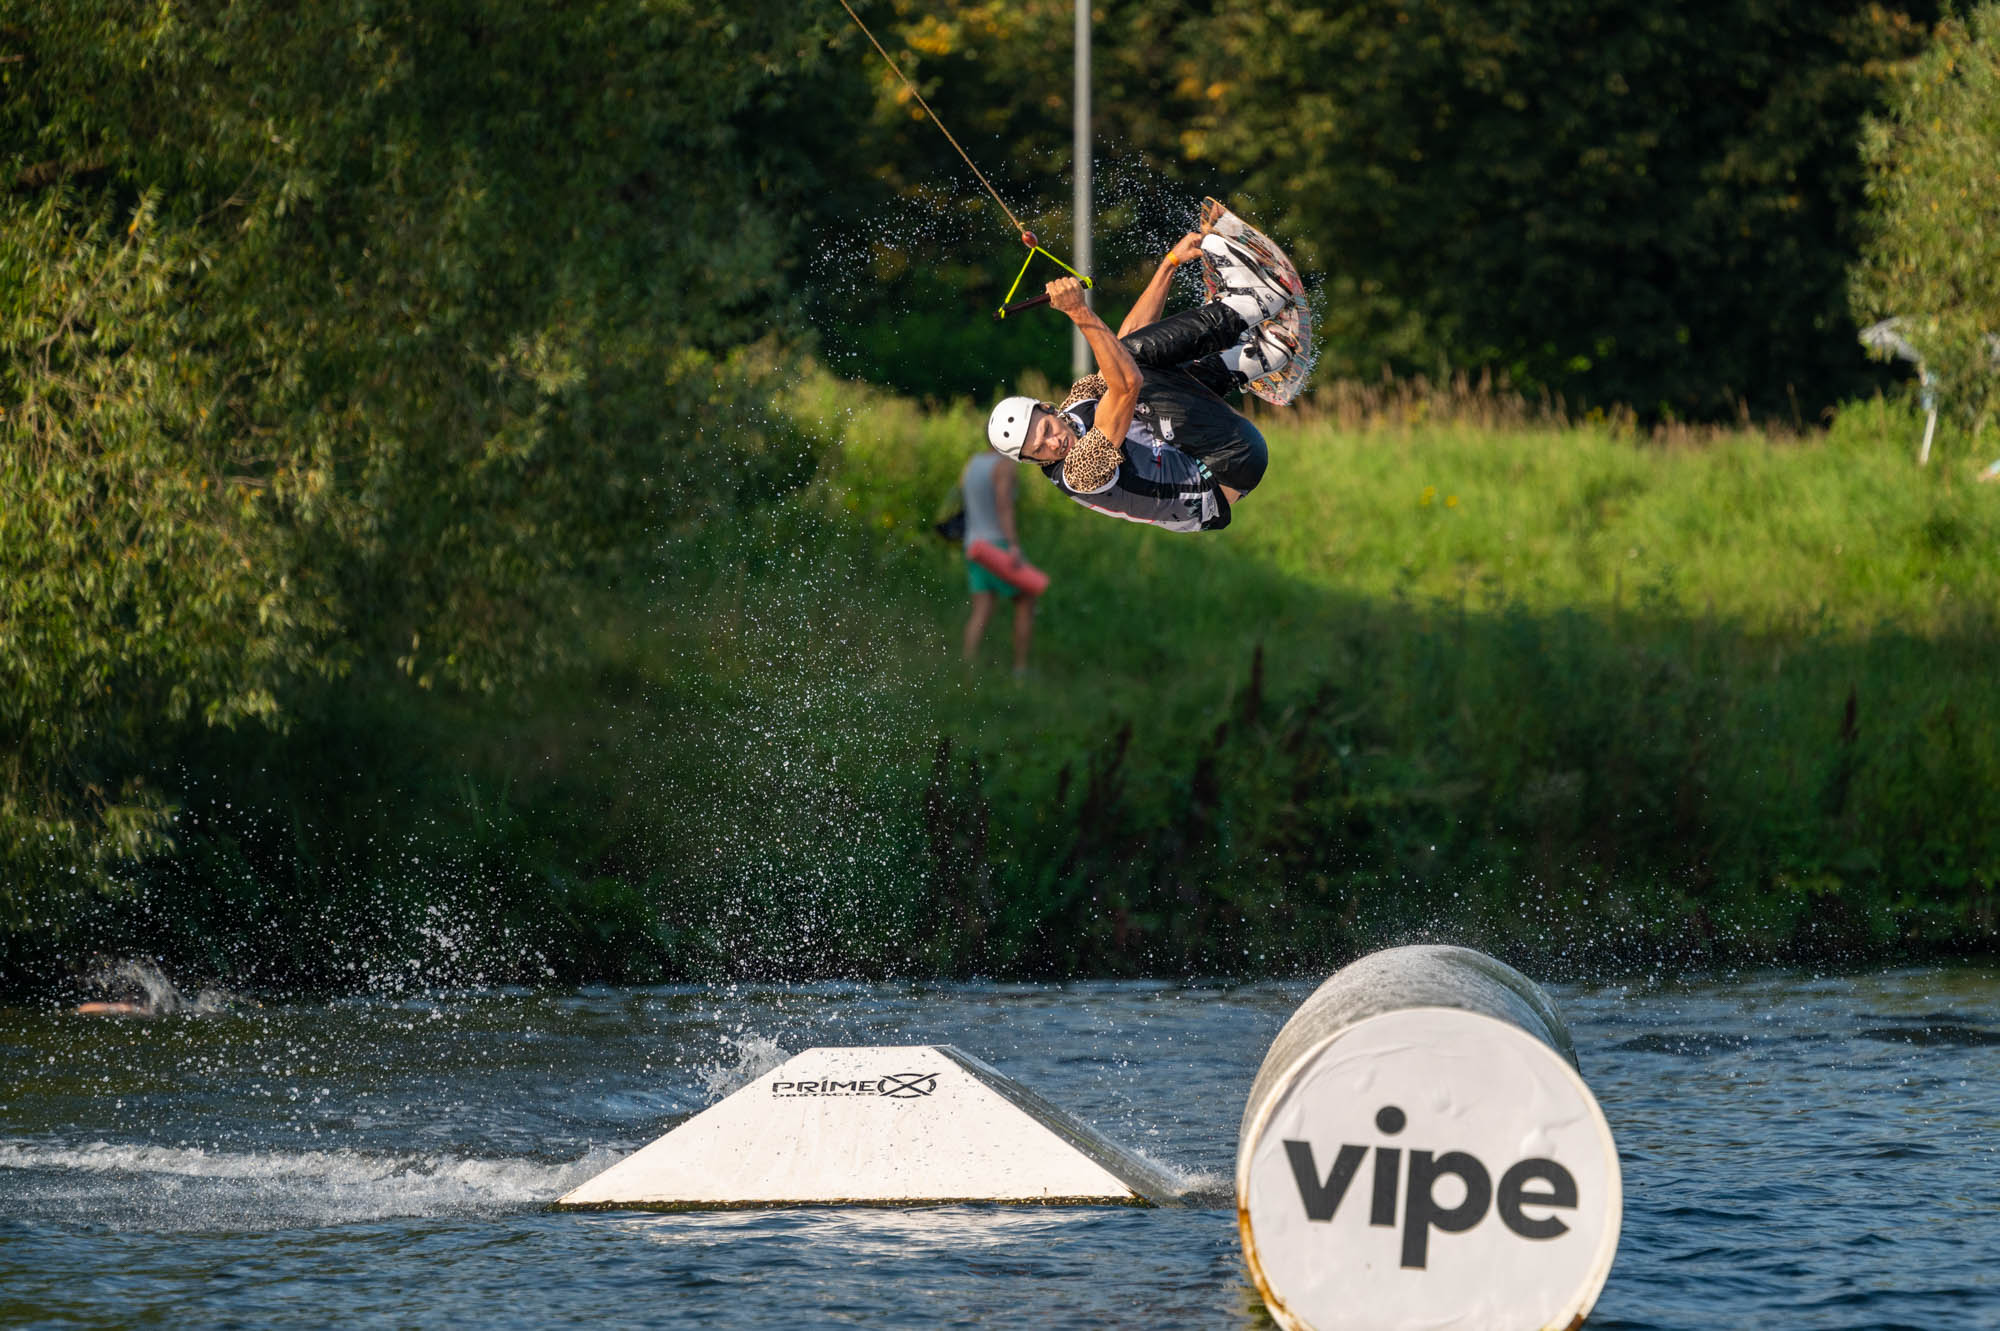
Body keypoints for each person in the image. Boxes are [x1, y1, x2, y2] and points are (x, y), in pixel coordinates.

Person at [984, 216, 1304, 533]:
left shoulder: (1077, 405)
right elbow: (1128, 383)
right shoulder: (1078, 471)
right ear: (1032, 461)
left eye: (1046, 430)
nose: (1053, 444)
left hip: (1211, 454)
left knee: (1123, 358)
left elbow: (1125, 343)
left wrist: (1170, 264)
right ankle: (1252, 302)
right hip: (1228, 464)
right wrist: (1078, 311)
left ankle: (1261, 355)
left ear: (1049, 409)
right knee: (1130, 374)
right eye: (1039, 450)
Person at [959, 446, 1038, 674]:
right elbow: (1004, 505)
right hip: (997, 544)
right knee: (1026, 599)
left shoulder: (973, 462)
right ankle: (1020, 670)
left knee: (982, 608)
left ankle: (967, 669)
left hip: (973, 545)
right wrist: (1013, 545)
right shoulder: (1004, 465)